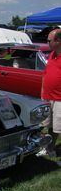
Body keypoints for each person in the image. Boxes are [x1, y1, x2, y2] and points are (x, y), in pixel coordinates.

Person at [37, 29, 61, 157]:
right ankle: (44, 147)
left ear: (58, 41)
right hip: (47, 96)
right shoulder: (52, 54)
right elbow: (46, 74)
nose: (47, 43)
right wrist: (42, 91)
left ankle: (50, 149)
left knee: (55, 127)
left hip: (59, 98)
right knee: (42, 124)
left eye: (49, 40)